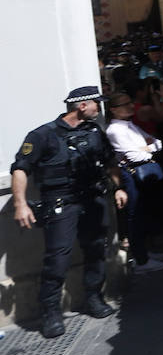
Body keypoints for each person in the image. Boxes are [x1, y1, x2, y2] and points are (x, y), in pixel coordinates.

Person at [11, 86, 127, 338]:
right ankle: (50, 311)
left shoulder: (94, 131)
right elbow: (20, 168)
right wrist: (20, 203)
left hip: (92, 199)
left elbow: (110, 162)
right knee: (58, 257)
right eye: (97, 103)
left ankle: (94, 297)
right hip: (60, 202)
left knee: (96, 249)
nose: (100, 107)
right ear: (82, 105)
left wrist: (117, 188)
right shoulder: (43, 135)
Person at [104, 92, 163, 274]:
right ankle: (141, 259)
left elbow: (158, 143)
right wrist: (148, 148)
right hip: (131, 174)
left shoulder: (129, 125)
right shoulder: (115, 130)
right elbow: (135, 155)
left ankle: (144, 254)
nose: (131, 106)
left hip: (139, 171)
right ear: (114, 110)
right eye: (125, 104)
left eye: (130, 102)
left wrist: (147, 148)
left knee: (143, 213)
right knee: (135, 216)